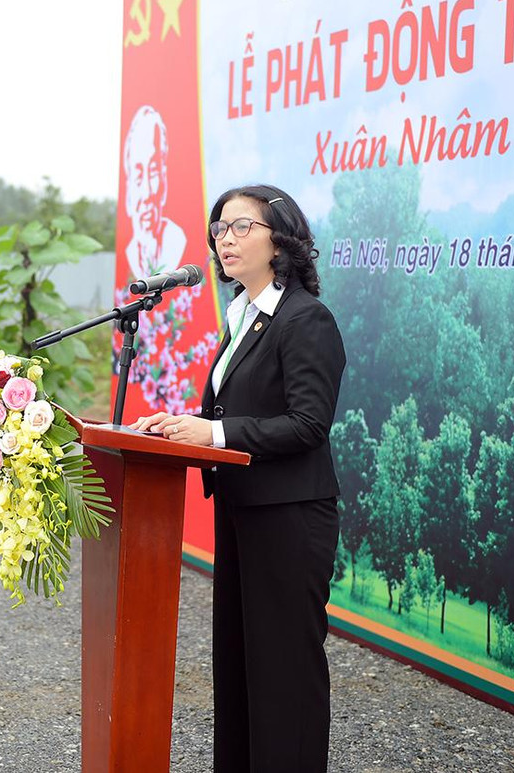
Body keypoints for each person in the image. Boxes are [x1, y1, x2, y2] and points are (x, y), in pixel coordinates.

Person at [132, 184, 345, 772]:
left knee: (284, 674)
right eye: (220, 229)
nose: (226, 239)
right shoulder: (243, 317)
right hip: (242, 510)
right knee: (240, 668)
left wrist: (214, 434)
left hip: (289, 517)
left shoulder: (305, 319)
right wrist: (181, 426)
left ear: (280, 240)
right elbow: (240, 411)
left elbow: (308, 424)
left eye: (242, 226)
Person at [122, 105, 188, 277]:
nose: (146, 193)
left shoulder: (178, 241)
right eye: (138, 175)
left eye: (153, 172)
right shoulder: (129, 254)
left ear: (164, 179)